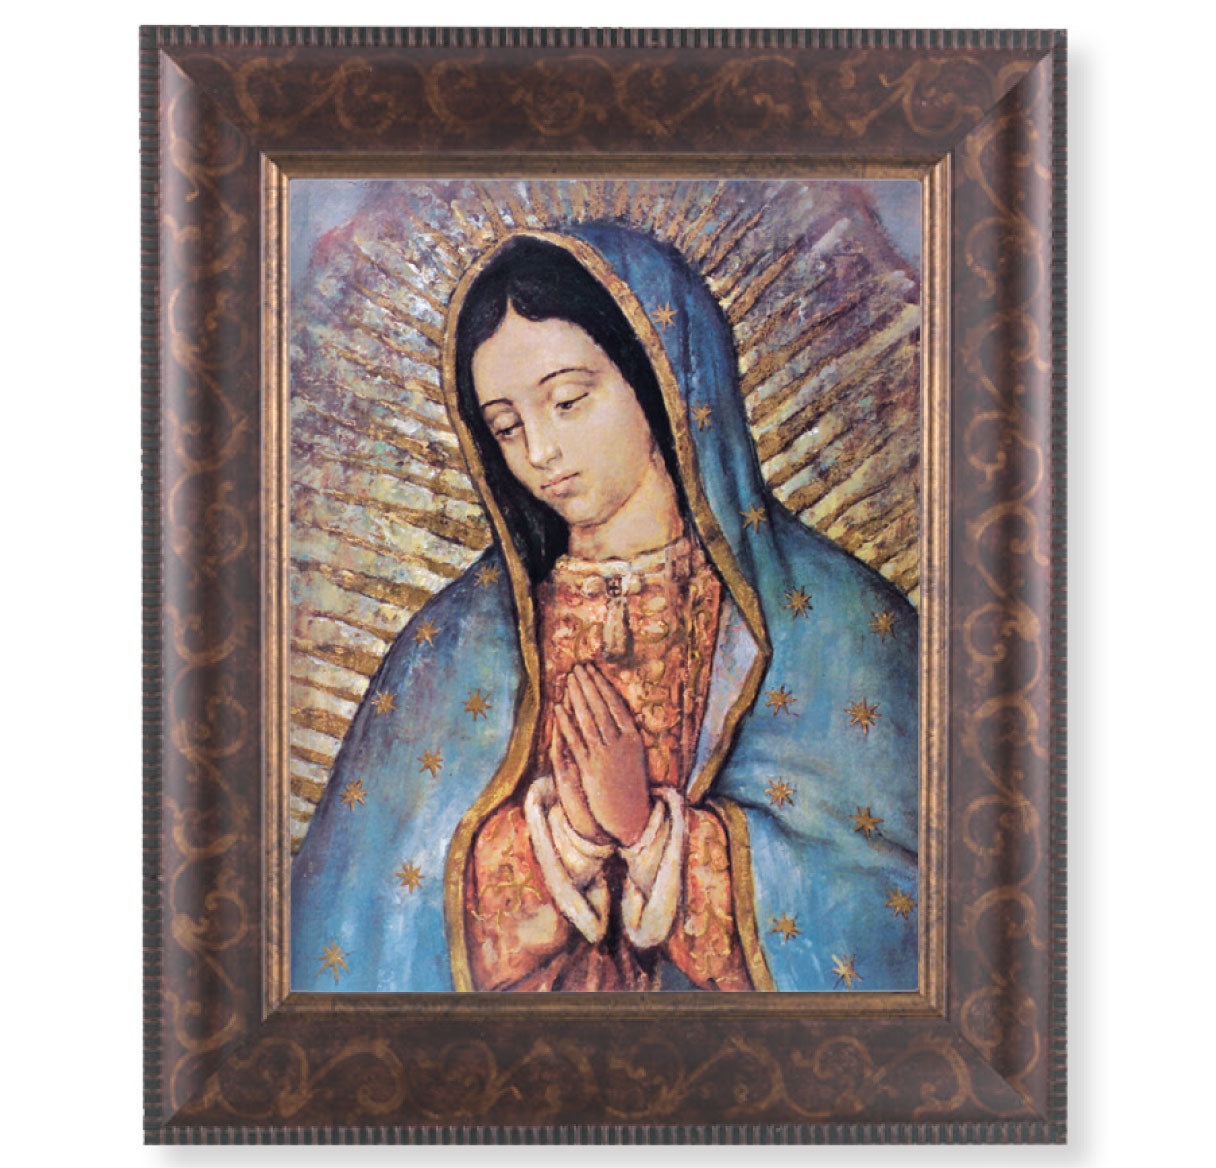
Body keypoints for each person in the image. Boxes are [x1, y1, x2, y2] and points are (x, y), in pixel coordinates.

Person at [290, 223, 919, 992]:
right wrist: (571, 840)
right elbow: (364, 920)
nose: (540, 453)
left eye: (567, 401)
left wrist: (651, 836)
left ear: (660, 381)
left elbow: (903, 916)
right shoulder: (452, 647)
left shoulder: (836, 624)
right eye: (507, 427)